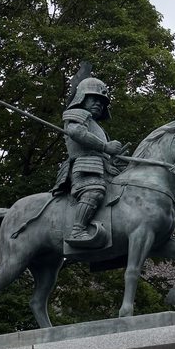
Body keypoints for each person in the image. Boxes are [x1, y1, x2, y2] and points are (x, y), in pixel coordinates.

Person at [53, 76, 124, 243]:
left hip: (104, 168)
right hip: (85, 166)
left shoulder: (98, 127)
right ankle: (77, 230)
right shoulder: (77, 114)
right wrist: (106, 147)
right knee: (94, 191)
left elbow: (106, 154)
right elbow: (76, 132)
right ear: (82, 98)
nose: (99, 104)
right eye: (94, 99)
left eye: (102, 102)